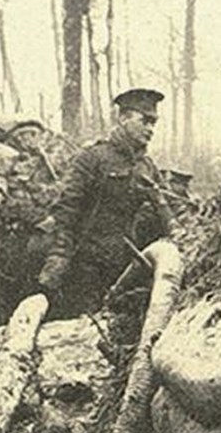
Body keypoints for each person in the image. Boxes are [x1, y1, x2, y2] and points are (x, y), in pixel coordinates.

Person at [38, 88, 173, 315]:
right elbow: (66, 211)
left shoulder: (147, 167)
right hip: (86, 267)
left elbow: (169, 211)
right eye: (145, 121)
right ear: (123, 119)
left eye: (154, 123)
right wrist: (58, 258)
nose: (150, 129)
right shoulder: (92, 158)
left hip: (125, 267)